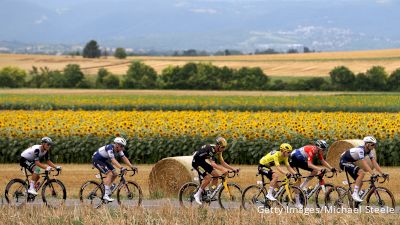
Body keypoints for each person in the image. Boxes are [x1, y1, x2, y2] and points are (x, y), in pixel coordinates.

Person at [339, 136, 389, 202]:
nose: (374, 146)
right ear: (367, 144)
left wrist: (382, 173)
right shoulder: (361, 150)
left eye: (375, 144)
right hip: (344, 161)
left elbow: (374, 163)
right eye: (372, 144)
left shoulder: (369, 151)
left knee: (360, 183)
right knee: (361, 173)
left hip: (350, 162)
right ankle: (355, 194)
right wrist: (373, 174)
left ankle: (353, 200)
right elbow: (364, 163)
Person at [191, 137, 239, 205]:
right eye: (222, 147)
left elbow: (223, 163)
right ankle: (197, 195)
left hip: (202, 162)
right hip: (196, 163)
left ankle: (210, 194)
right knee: (208, 178)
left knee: (216, 175)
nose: (223, 149)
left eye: (224, 147)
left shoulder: (219, 151)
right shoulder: (211, 149)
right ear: (218, 146)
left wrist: (233, 169)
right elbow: (213, 164)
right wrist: (222, 169)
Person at [92, 137, 137, 202]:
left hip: (104, 160)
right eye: (121, 146)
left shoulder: (119, 150)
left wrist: (132, 166)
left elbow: (124, 158)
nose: (123, 148)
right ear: (117, 145)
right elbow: (113, 160)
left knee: (115, 174)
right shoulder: (110, 148)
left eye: (123, 146)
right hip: (96, 160)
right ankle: (105, 195)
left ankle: (107, 188)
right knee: (109, 174)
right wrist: (121, 168)